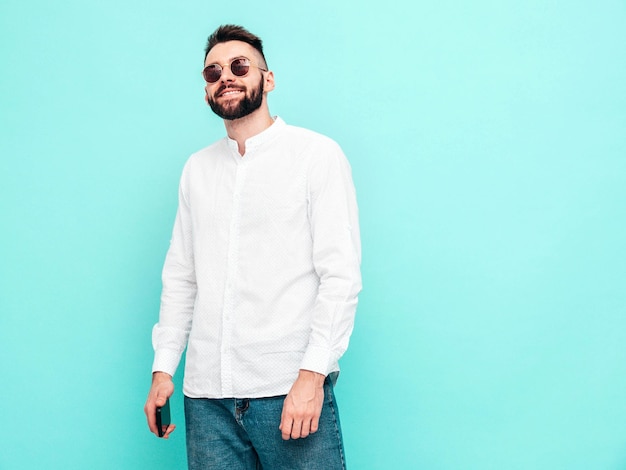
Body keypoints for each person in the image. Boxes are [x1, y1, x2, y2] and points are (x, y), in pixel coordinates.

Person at [144, 24, 361, 470]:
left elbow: (340, 275)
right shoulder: (197, 170)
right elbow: (181, 275)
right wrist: (164, 367)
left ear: (268, 78)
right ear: (206, 90)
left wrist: (312, 375)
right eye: (213, 71)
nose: (227, 76)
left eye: (240, 65)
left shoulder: (316, 156)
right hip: (206, 401)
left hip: (287, 390)